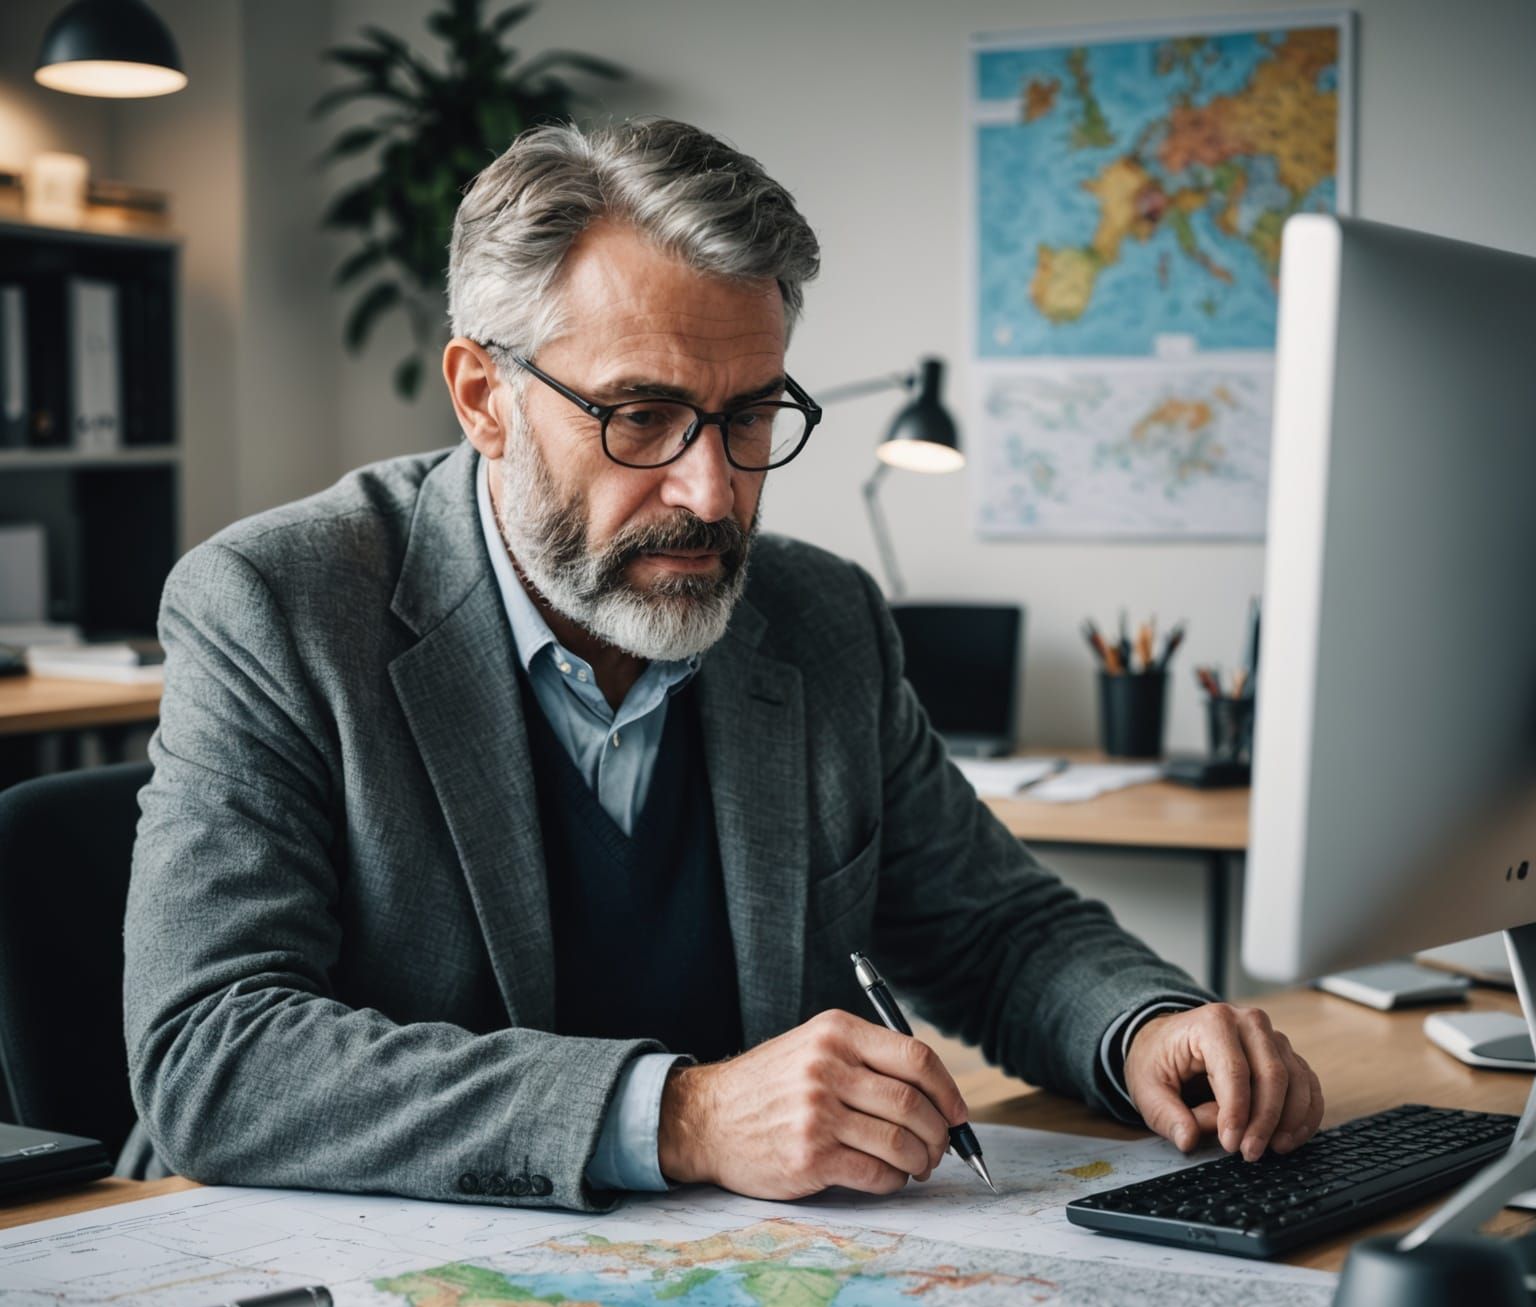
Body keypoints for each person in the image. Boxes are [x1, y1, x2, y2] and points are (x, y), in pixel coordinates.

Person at [118, 119, 1324, 1209]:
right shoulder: (276, 607)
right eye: (639, 417)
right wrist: (681, 1116)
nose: (711, 492)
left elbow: (993, 929)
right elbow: (213, 1053)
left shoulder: (819, 617)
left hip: (738, 1299)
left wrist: (1146, 1026)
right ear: (484, 398)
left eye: (750, 417)